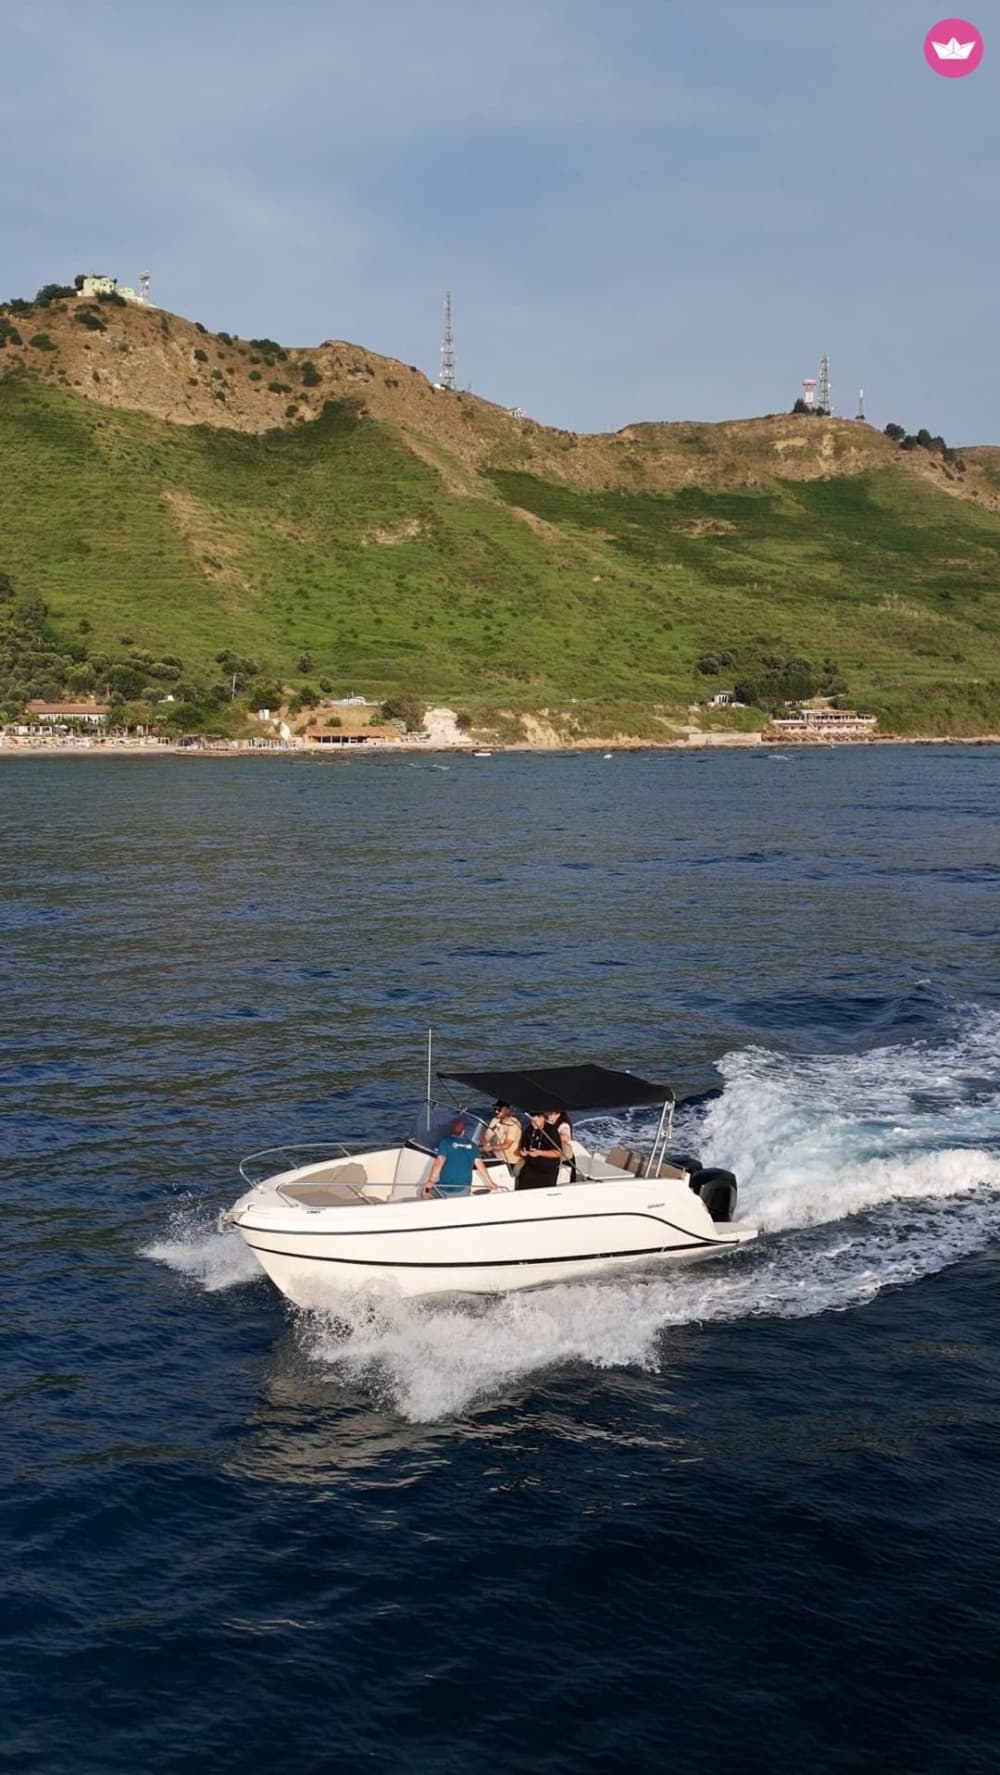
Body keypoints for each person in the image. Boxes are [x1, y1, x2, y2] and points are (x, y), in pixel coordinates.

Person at [422, 1118, 497, 1199]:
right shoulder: (473, 1146)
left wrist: (431, 1181)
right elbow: (480, 1165)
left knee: (424, 1193)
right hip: (463, 1190)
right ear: (463, 1131)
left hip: (444, 1189)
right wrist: (490, 1183)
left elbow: (439, 1162)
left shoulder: (445, 1142)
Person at [516, 1112, 564, 1190]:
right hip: (530, 1167)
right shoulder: (529, 1130)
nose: (533, 1124)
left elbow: (557, 1153)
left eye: (535, 1121)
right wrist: (523, 1152)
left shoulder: (551, 1131)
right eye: (531, 1121)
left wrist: (539, 1153)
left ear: (542, 1118)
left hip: (547, 1170)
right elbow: (523, 1147)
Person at [482, 1101, 523, 1173]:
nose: (496, 1111)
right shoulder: (495, 1120)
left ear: (507, 1110)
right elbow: (487, 1135)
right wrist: (484, 1143)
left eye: (499, 1109)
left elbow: (507, 1145)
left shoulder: (513, 1124)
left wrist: (491, 1147)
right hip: (495, 1157)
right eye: (495, 1109)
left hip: (509, 1160)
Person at [545, 1107, 576, 1182]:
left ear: (558, 1114)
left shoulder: (564, 1125)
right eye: (547, 1114)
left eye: (551, 1114)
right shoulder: (549, 1123)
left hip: (565, 1157)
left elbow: (565, 1137)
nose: (549, 1116)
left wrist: (553, 1136)